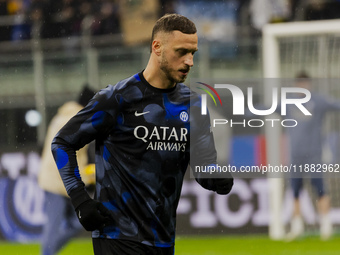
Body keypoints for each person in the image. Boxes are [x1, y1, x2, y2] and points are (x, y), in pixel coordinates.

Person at [51, 13, 233, 255]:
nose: (189, 61)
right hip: (117, 235)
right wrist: (81, 200)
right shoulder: (117, 98)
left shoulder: (194, 105)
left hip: (163, 239)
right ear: (156, 47)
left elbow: (203, 167)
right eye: (181, 52)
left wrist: (217, 178)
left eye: (193, 53)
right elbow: (62, 142)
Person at [38, 85, 96, 255]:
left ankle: (49, 251)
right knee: (56, 227)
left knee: (76, 222)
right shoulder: (76, 118)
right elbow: (72, 153)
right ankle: (47, 252)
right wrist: (88, 179)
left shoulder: (63, 115)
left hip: (56, 179)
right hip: (58, 180)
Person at [285, 71, 340, 241]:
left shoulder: (318, 101)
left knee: (321, 189)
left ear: (309, 84)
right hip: (295, 155)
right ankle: (297, 226)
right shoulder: (287, 103)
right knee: (294, 191)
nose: (302, 87)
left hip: (314, 154)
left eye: (305, 83)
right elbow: (264, 108)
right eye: (299, 83)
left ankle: (325, 226)